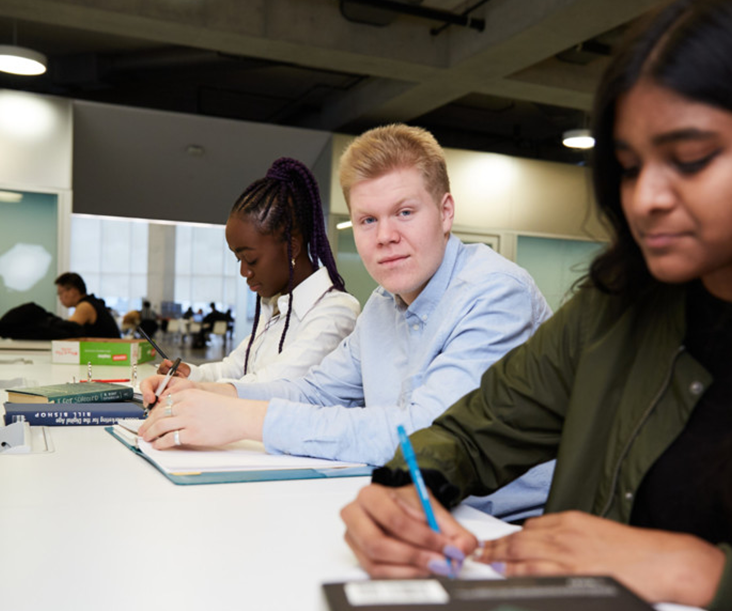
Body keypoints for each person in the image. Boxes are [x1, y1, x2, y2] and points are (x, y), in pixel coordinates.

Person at [339, 1, 732, 611]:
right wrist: (403, 490)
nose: (645, 198)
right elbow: (471, 433)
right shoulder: (614, 306)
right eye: (631, 167)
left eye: (690, 158)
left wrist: (707, 577)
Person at [139, 125, 555, 521]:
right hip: (417, 509)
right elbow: (315, 390)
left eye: (405, 212)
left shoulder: (496, 294)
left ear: (445, 213)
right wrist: (210, 392)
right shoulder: (380, 307)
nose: (385, 236)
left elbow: (424, 435)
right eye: (367, 220)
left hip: (508, 528)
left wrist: (242, 419)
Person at [145, 157, 360, 383]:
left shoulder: (336, 312)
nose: (244, 272)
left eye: (251, 259)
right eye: (239, 260)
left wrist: (197, 390)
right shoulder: (275, 306)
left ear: (292, 248)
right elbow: (236, 368)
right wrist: (192, 374)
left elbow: (271, 385)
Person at [54, 272, 121, 338]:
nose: (60, 297)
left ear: (73, 291)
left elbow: (67, 330)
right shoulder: (93, 302)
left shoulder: (85, 306)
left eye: (60, 293)